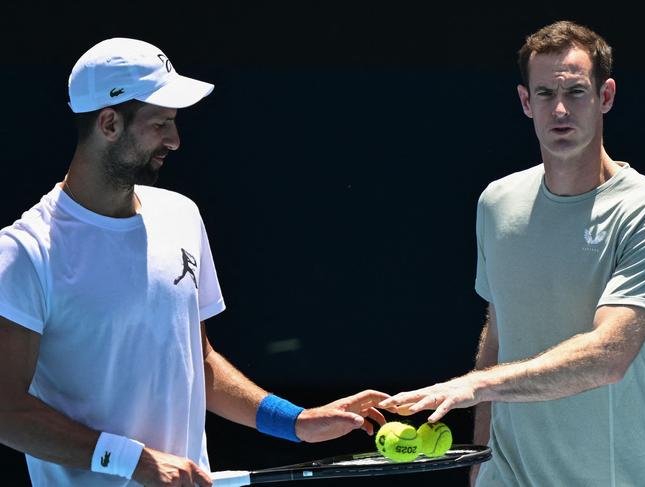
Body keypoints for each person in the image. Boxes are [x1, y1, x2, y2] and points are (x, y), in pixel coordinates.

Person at [0, 38, 388, 487]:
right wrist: (134, 461)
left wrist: (296, 421)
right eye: (161, 123)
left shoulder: (181, 215)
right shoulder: (25, 252)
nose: (175, 140)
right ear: (109, 123)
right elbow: (7, 411)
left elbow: (197, 360)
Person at [379, 20, 645, 486]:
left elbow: (610, 354)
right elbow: (500, 330)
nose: (560, 109)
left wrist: (474, 385)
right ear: (526, 102)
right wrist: (480, 459)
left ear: (605, 96)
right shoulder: (497, 202)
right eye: (544, 94)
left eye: (576, 92)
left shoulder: (640, 209)